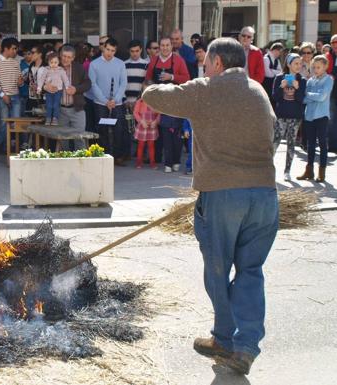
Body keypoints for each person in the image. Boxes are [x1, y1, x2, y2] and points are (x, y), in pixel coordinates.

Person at [143, 37, 279, 376]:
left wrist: (167, 81)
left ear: (217, 63)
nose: (203, 68)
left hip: (222, 194)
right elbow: (273, 134)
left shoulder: (205, 89)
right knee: (250, 271)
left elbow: (152, 96)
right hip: (265, 194)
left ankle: (224, 339)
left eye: (206, 64)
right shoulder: (258, 91)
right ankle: (244, 345)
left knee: (218, 270)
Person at [145, 36, 190, 171]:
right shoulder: (154, 60)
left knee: (173, 134)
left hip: (173, 102)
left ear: (171, 47)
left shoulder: (178, 60)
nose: (165, 48)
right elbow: (148, 79)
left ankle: (173, 161)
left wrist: (172, 77)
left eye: (167, 45)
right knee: (157, 132)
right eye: (162, 46)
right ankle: (158, 159)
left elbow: (187, 79)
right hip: (157, 101)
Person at [86, 38, 130, 165]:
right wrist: (105, 101)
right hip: (100, 103)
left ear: (115, 51)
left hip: (117, 103)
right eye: (108, 49)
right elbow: (93, 85)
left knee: (118, 129)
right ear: (103, 48)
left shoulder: (120, 64)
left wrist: (115, 100)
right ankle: (104, 155)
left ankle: (117, 156)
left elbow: (123, 83)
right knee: (102, 129)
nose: (109, 53)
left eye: (113, 50)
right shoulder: (94, 64)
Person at [297, 55, 333, 183]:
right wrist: (311, 96)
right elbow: (304, 99)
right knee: (310, 144)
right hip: (309, 116)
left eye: (318, 67)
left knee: (322, 143)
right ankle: (309, 170)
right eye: (314, 67)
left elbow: (322, 97)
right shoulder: (310, 81)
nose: (316, 69)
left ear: (325, 67)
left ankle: (321, 172)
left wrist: (308, 95)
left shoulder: (329, 79)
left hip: (322, 116)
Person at [272, 53, 306, 181]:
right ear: (288, 64)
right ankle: (268, 169)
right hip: (281, 116)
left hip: (295, 117)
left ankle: (287, 171)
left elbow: (302, 99)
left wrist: (297, 88)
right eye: (296, 63)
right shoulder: (279, 77)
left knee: (291, 144)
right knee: (275, 142)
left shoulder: (302, 80)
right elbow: (275, 97)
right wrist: (282, 86)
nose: (299, 66)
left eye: (300, 63)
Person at [0, 37, 23, 154]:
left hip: (16, 95)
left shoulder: (16, 62)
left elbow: (19, 80)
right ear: (6, 49)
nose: (15, 51)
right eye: (13, 49)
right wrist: (2, 94)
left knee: (15, 123)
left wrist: (20, 82)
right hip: (2, 97)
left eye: (16, 49)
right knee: (4, 123)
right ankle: (5, 148)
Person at [58, 44, 91, 150]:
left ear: (73, 58)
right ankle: (64, 164)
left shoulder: (78, 67)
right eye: (64, 56)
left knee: (79, 137)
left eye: (68, 57)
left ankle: (82, 164)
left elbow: (88, 84)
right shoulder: (54, 66)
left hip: (77, 108)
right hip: (61, 109)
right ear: (60, 55)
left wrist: (76, 89)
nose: (65, 59)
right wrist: (46, 86)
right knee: (63, 140)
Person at [37, 52, 71, 125]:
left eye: (55, 62)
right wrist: (39, 87)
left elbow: (65, 79)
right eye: (51, 62)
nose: (53, 64)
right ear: (48, 62)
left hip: (58, 90)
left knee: (56, 104)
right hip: (48, 91)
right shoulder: (46, 70)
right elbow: (42, 79)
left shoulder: (61, 70)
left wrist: (67, 87)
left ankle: (55, 118)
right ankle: (48, 118)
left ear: (58, 62)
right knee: (49, 105)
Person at [132, 91, 159, 169]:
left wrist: (155, 122)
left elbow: (159, 113)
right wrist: (141, 121)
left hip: (152, 127)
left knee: (151, 145)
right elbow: (135, 113)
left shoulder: (156, 103)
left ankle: (152, 162)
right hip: (142, 126)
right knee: (141, 145)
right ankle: (139, 162)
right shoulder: (140, 102)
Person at [124, 40, 149, 106]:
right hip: (126, 102)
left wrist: (141, 99)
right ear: (128, 51)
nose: (135, 54)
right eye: (132, 51)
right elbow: (120, 84)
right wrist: (124, 100)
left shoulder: (146, 65)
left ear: (141, 50)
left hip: (141, 102)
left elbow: (147, 84)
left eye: (137, 51)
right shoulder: (123, 65)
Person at [26, 45, 45, 115]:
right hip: (31, 98)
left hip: (42, 100)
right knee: (31, 121)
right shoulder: (31, 66)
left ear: (40, 54)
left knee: (41, 122)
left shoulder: (45, 67)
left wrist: (39, 88)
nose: (31, 55)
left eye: (33, 52)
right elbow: (29, 81)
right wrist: (23, 81)